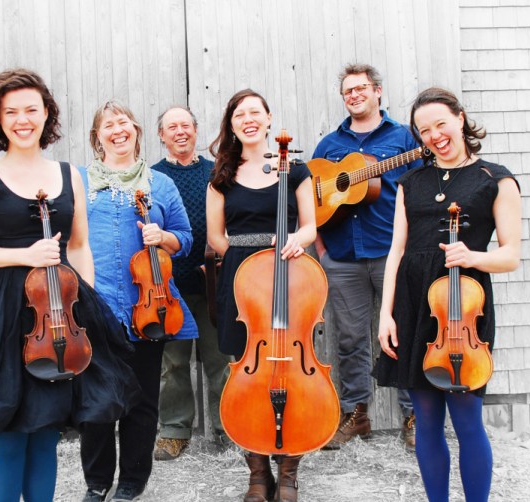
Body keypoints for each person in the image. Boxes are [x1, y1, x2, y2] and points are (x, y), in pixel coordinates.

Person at [0, 69, 140, 502]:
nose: (22, 119)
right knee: (13, 433)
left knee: (47, 431)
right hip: (4, 316)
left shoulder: (70, 173)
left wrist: (79, 308)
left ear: (46, 114)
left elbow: (80, 245)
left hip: (60, 316)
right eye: (11, 111)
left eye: (31, 109)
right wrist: (24, 255)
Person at [375, 87, 521, 501]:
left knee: (467, 418)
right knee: (425, 419)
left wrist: (472, 255)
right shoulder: (410, 182)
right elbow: (396, 252)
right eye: (425, 130)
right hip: (414, 303)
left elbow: (510, 255)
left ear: (460, 118)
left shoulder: (495, 179)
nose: (435, 135)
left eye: (441, 123)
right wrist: (386, 314)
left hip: (462, 310)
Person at [78, 100, 197, 502]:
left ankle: (132, 481)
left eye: (124, 123)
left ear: (137, 131)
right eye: (108, 125)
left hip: (147, 306)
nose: (118, 130)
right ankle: (96, 483)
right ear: (98, 137)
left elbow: (185, 237)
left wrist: (163, 237)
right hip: (93, 307)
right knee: (96, 401)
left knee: (142, 400)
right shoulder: (79, 182)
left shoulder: (159, 184)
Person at [206, 89, 316, 502]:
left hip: (291, 274)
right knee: (247, 371)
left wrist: (288, 244)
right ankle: (257, 472)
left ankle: (288, 472)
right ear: (232, 124)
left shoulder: (297, 169)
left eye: (255, 112)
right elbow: (217, 238)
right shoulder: (221, 175)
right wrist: (252, 259)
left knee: (291, 367)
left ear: (269, 119)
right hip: (242, 280)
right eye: (239, 114)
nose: (248, 119)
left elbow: (309, 227)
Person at [311, 63, 421, 450]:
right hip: (342, 257)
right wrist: (322, 252)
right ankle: (357, 414)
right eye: (347, 91)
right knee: (350, 340)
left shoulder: (404, 139)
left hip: (393, 253)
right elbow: (313, 201)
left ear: (377, 92)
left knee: (404, 334)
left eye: (361, 88)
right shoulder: (328, 146)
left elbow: (421, 191)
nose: (354, 95)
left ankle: (413, 415)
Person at [150, 106, 232, 460]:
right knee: (173, 364)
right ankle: (173, 430)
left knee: (220, 360)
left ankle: (228, 428)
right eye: (172, 127)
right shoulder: (151, 177)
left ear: (196, 131)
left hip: (213, 283)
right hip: (168, 287)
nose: (180, 132)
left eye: (186, 125)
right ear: (161, 135)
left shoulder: (217, 172)